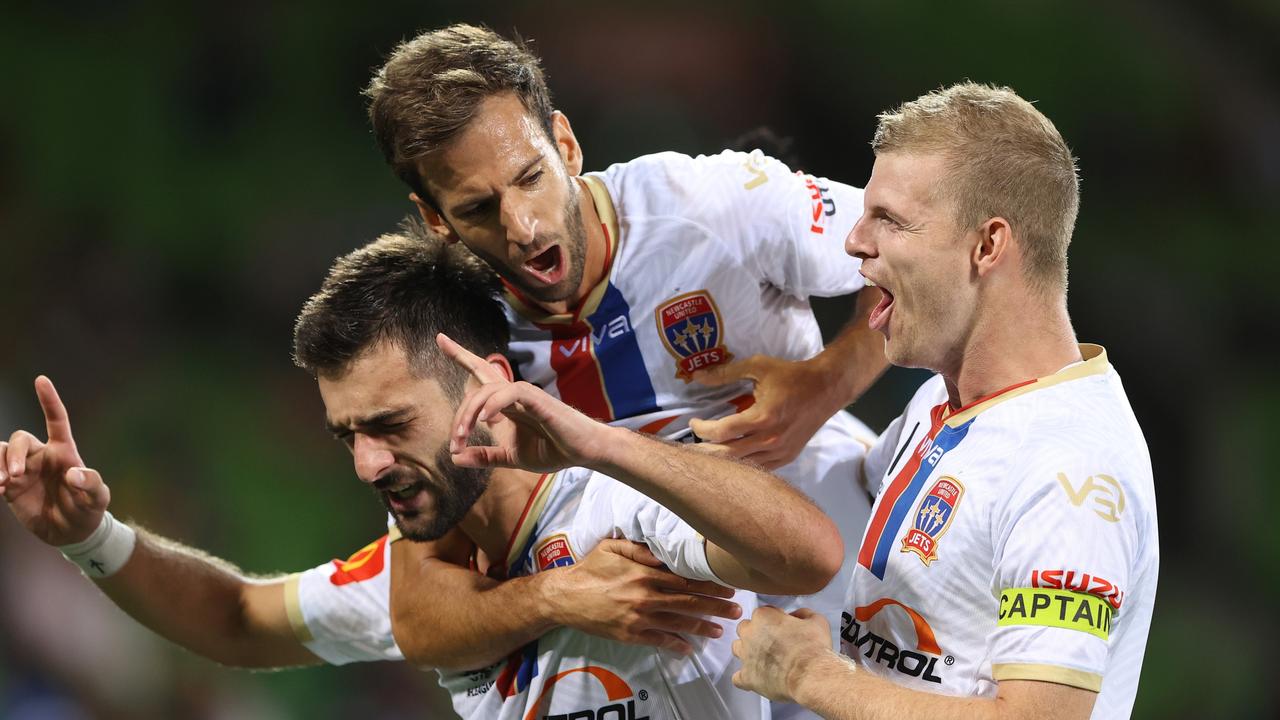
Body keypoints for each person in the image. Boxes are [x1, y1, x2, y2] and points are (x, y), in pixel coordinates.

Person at [0, 227, 844, 718]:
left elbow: (806, 553)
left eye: (391, 425)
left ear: (485, 381)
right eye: (347, 437)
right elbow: (235, 616)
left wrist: (607, 443)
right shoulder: (423, 572)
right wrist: (93, 539)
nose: (368, 464)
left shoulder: (620, 506)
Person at [364, 24, 888, 671]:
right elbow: (420, 615)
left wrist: (828, 381)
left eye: (530, 177)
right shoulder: (456, 341)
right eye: (478, 208)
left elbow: (918, 248)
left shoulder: (715, 206)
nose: (523, 228)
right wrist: (552, 597)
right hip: (689, 668)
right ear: (437, 219)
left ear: (566, 144)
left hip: (861, 606)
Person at [727, 83, 1159, 719]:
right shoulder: (944, 398)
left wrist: (807, 674)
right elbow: (842, 509)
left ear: (987, 247)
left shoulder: (1072, 474)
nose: (854, 242)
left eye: (891, 221)